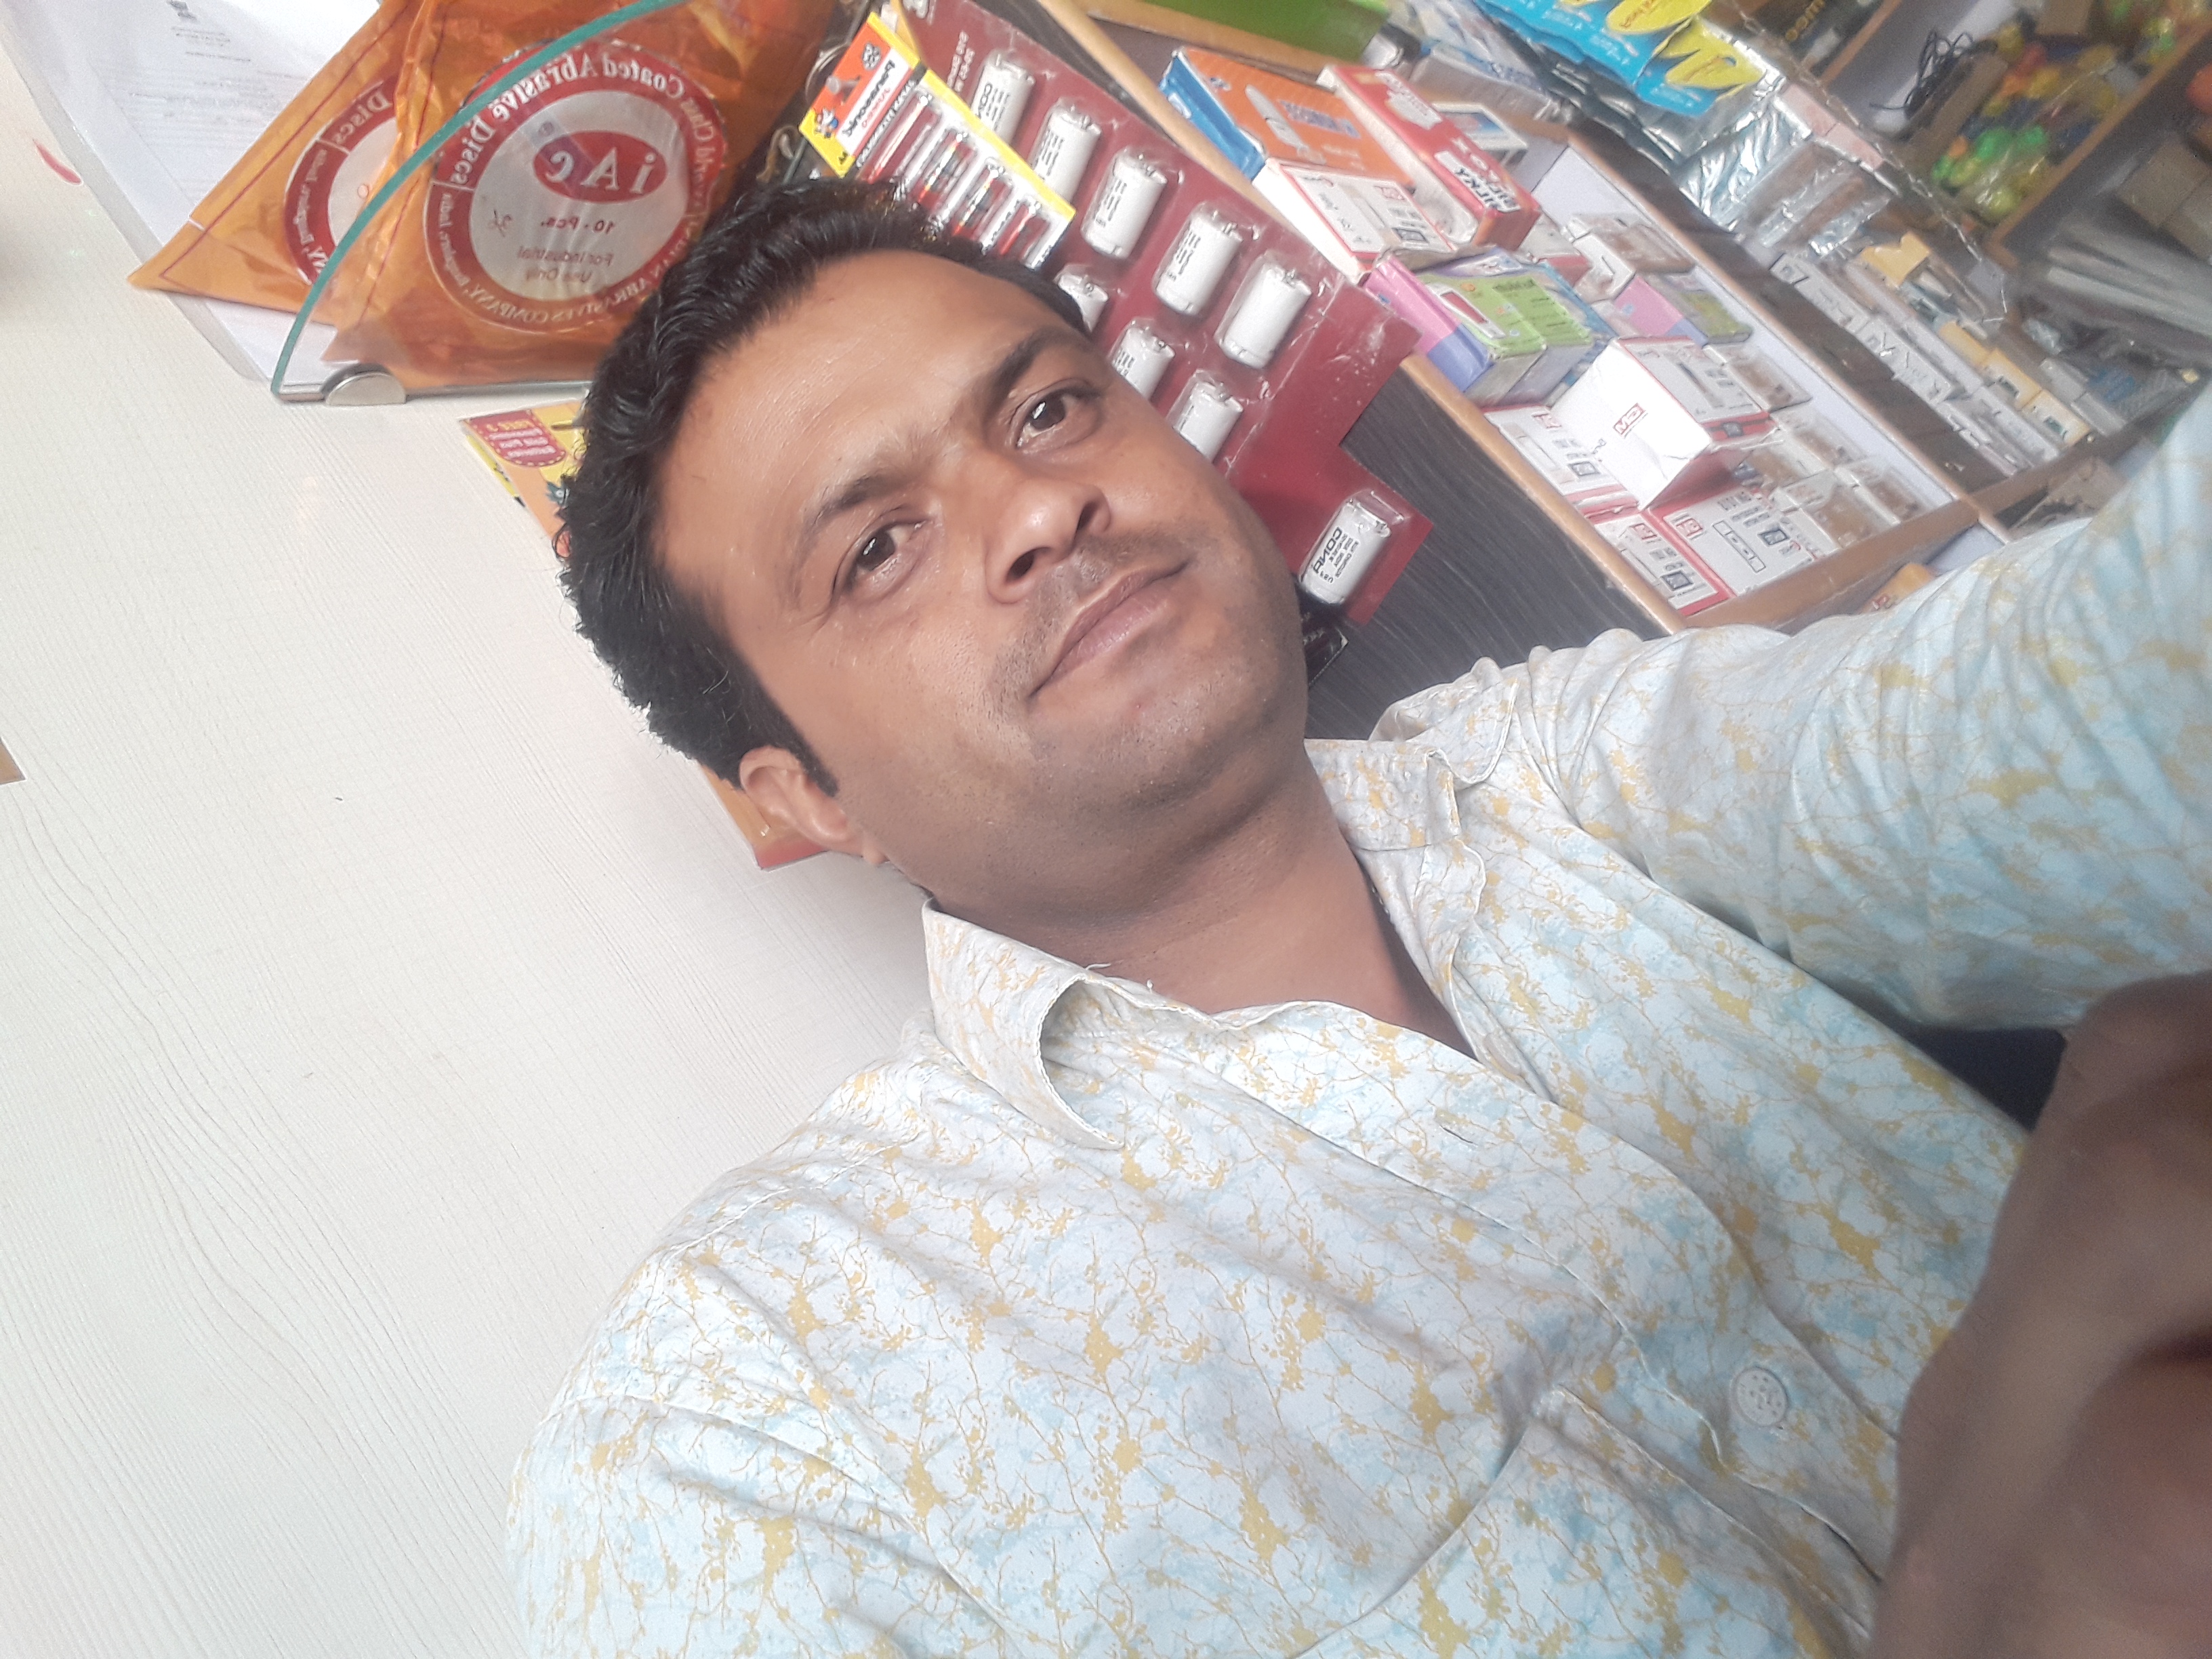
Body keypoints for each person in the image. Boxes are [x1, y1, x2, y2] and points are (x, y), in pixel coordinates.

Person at [509, 178, 2212, 1657]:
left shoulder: (1566, 769)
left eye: (1048, 411)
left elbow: (2099, 708)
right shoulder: (755, 1417)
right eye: (878, 551)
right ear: (813, 797)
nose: (1039, 508)